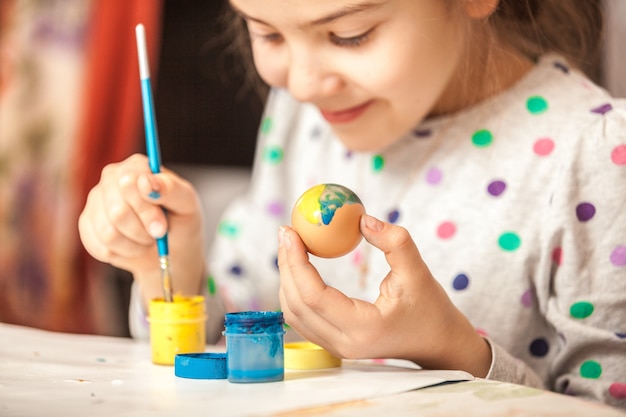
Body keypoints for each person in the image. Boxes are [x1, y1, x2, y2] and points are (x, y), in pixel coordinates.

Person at [78, 0, 626, 408]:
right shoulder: (302, 115)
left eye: (349, 35)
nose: (304, 81)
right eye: (268, 34)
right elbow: (231, 348)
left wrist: (451, 349)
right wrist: (173, 266)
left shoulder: (595, 155)